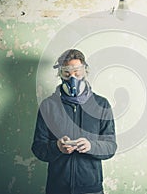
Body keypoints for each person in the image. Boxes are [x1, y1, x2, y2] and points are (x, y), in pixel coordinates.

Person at [31, 49, 117, 194]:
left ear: (85, 71)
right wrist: (57, 147)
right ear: (60, 74)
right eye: (67, 73)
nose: (73, 78)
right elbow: (38, 148)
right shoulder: (49, 106)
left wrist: (91, 146)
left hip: (91, 189)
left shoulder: (101, 104)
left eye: (77, 72)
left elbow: (110, 146)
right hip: (57, 188)